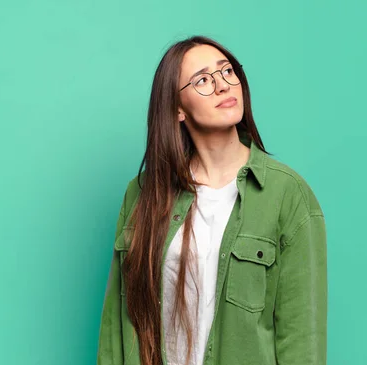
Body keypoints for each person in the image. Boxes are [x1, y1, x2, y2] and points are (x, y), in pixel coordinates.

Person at [97, 35, 327, 365]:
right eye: (203, 79)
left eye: (227, 72)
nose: (222, 86)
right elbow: (115, 328)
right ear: (177, 109)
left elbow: (302, 339)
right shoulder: (143, 193)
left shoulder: (287, 195)